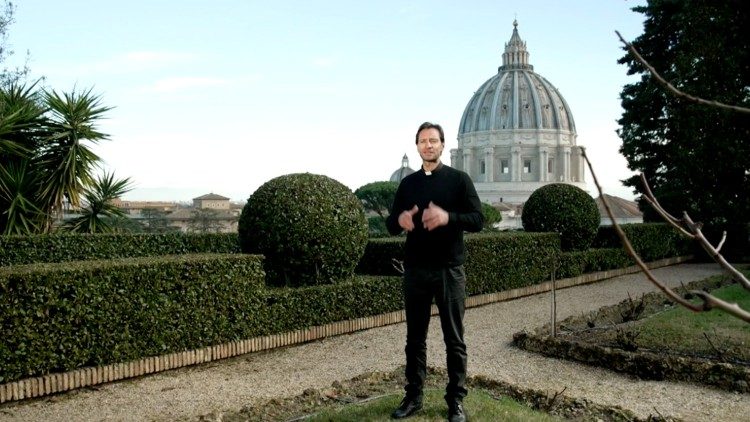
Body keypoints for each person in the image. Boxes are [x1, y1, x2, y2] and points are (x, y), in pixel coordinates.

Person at [386, 122, 483, 422]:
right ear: (417, 146)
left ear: (442, 145)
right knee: (414, 339)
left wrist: (448, 217)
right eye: (422, 141)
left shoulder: (459, 180)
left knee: (454, 339)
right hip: (415, 271)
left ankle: (455, 401)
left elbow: (477, 219)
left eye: (433, 140)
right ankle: (414, 397)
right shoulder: (408, 184)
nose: (428, 145)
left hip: (448, 271)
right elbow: (390, 224)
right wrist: (399, 220)